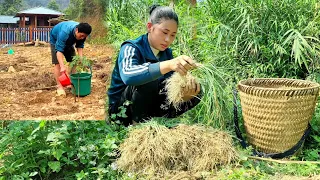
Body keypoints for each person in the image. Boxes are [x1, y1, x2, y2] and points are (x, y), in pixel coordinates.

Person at [107, 5, 201, 126]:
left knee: (195, 87)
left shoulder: (166, 53)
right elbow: (128, 75)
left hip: (149, 107)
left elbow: (167, 87)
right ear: (150, 27)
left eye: (173, 35)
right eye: (164, 32)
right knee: (148, 80)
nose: (168, 39)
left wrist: (184, 95)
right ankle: (138, 131)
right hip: (122, 110)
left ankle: (159, 124)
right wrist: (168, 64)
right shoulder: (131, 47)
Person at [50, 21, 92, 96]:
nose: (82, 38)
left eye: (84, 37)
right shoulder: (65, 32)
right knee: (58, 64)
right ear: (76, 30)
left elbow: (80, 46)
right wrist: (62, 66)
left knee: (74, 61)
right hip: (56, 39)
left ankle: (72, 82)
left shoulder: (82, 33)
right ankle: (59, 86)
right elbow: (59, 51)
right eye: (81, 35)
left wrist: (81, 60)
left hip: (69, 42)